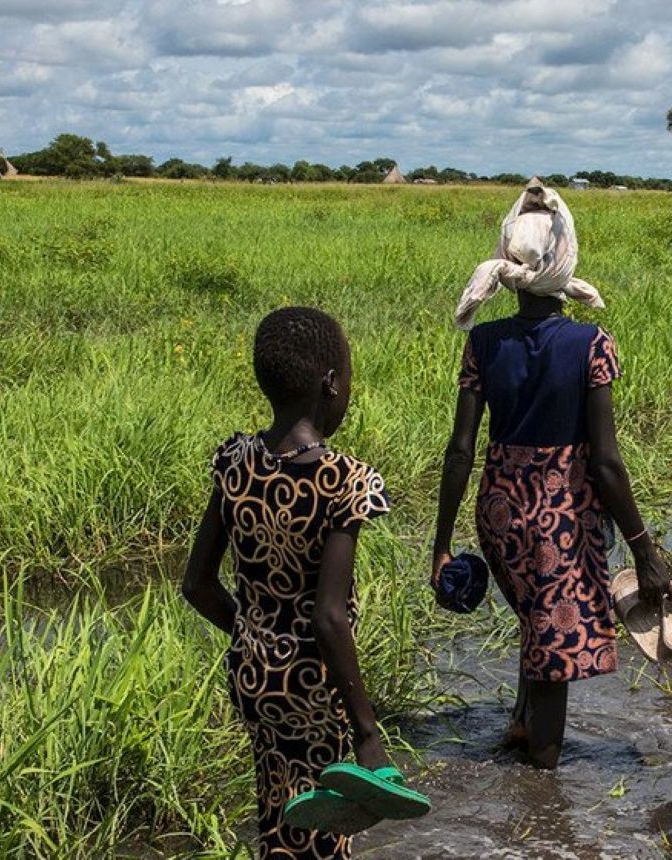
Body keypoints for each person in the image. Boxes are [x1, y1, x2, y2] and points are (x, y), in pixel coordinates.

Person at [431, 225, 672, 770]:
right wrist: (643, 549)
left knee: (535, 622)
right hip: (559, 521)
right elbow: (606, 464)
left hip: (499, 514)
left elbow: (460, 450)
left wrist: (441, 545)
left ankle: (521, 724)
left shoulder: (484, 342)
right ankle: (542, 786)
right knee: (554, 654)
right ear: (564, 264)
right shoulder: (590, 344)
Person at [180, 307, 403, 857]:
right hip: (315, 684)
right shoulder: (345, 480)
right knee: (328, 830)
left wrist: (257, 637)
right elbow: (328, 616)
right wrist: (368, 731)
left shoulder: (235, 461)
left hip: (255, 676)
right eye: (347, 378)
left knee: (279, 808)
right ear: (330, 384)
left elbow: (197, 585)